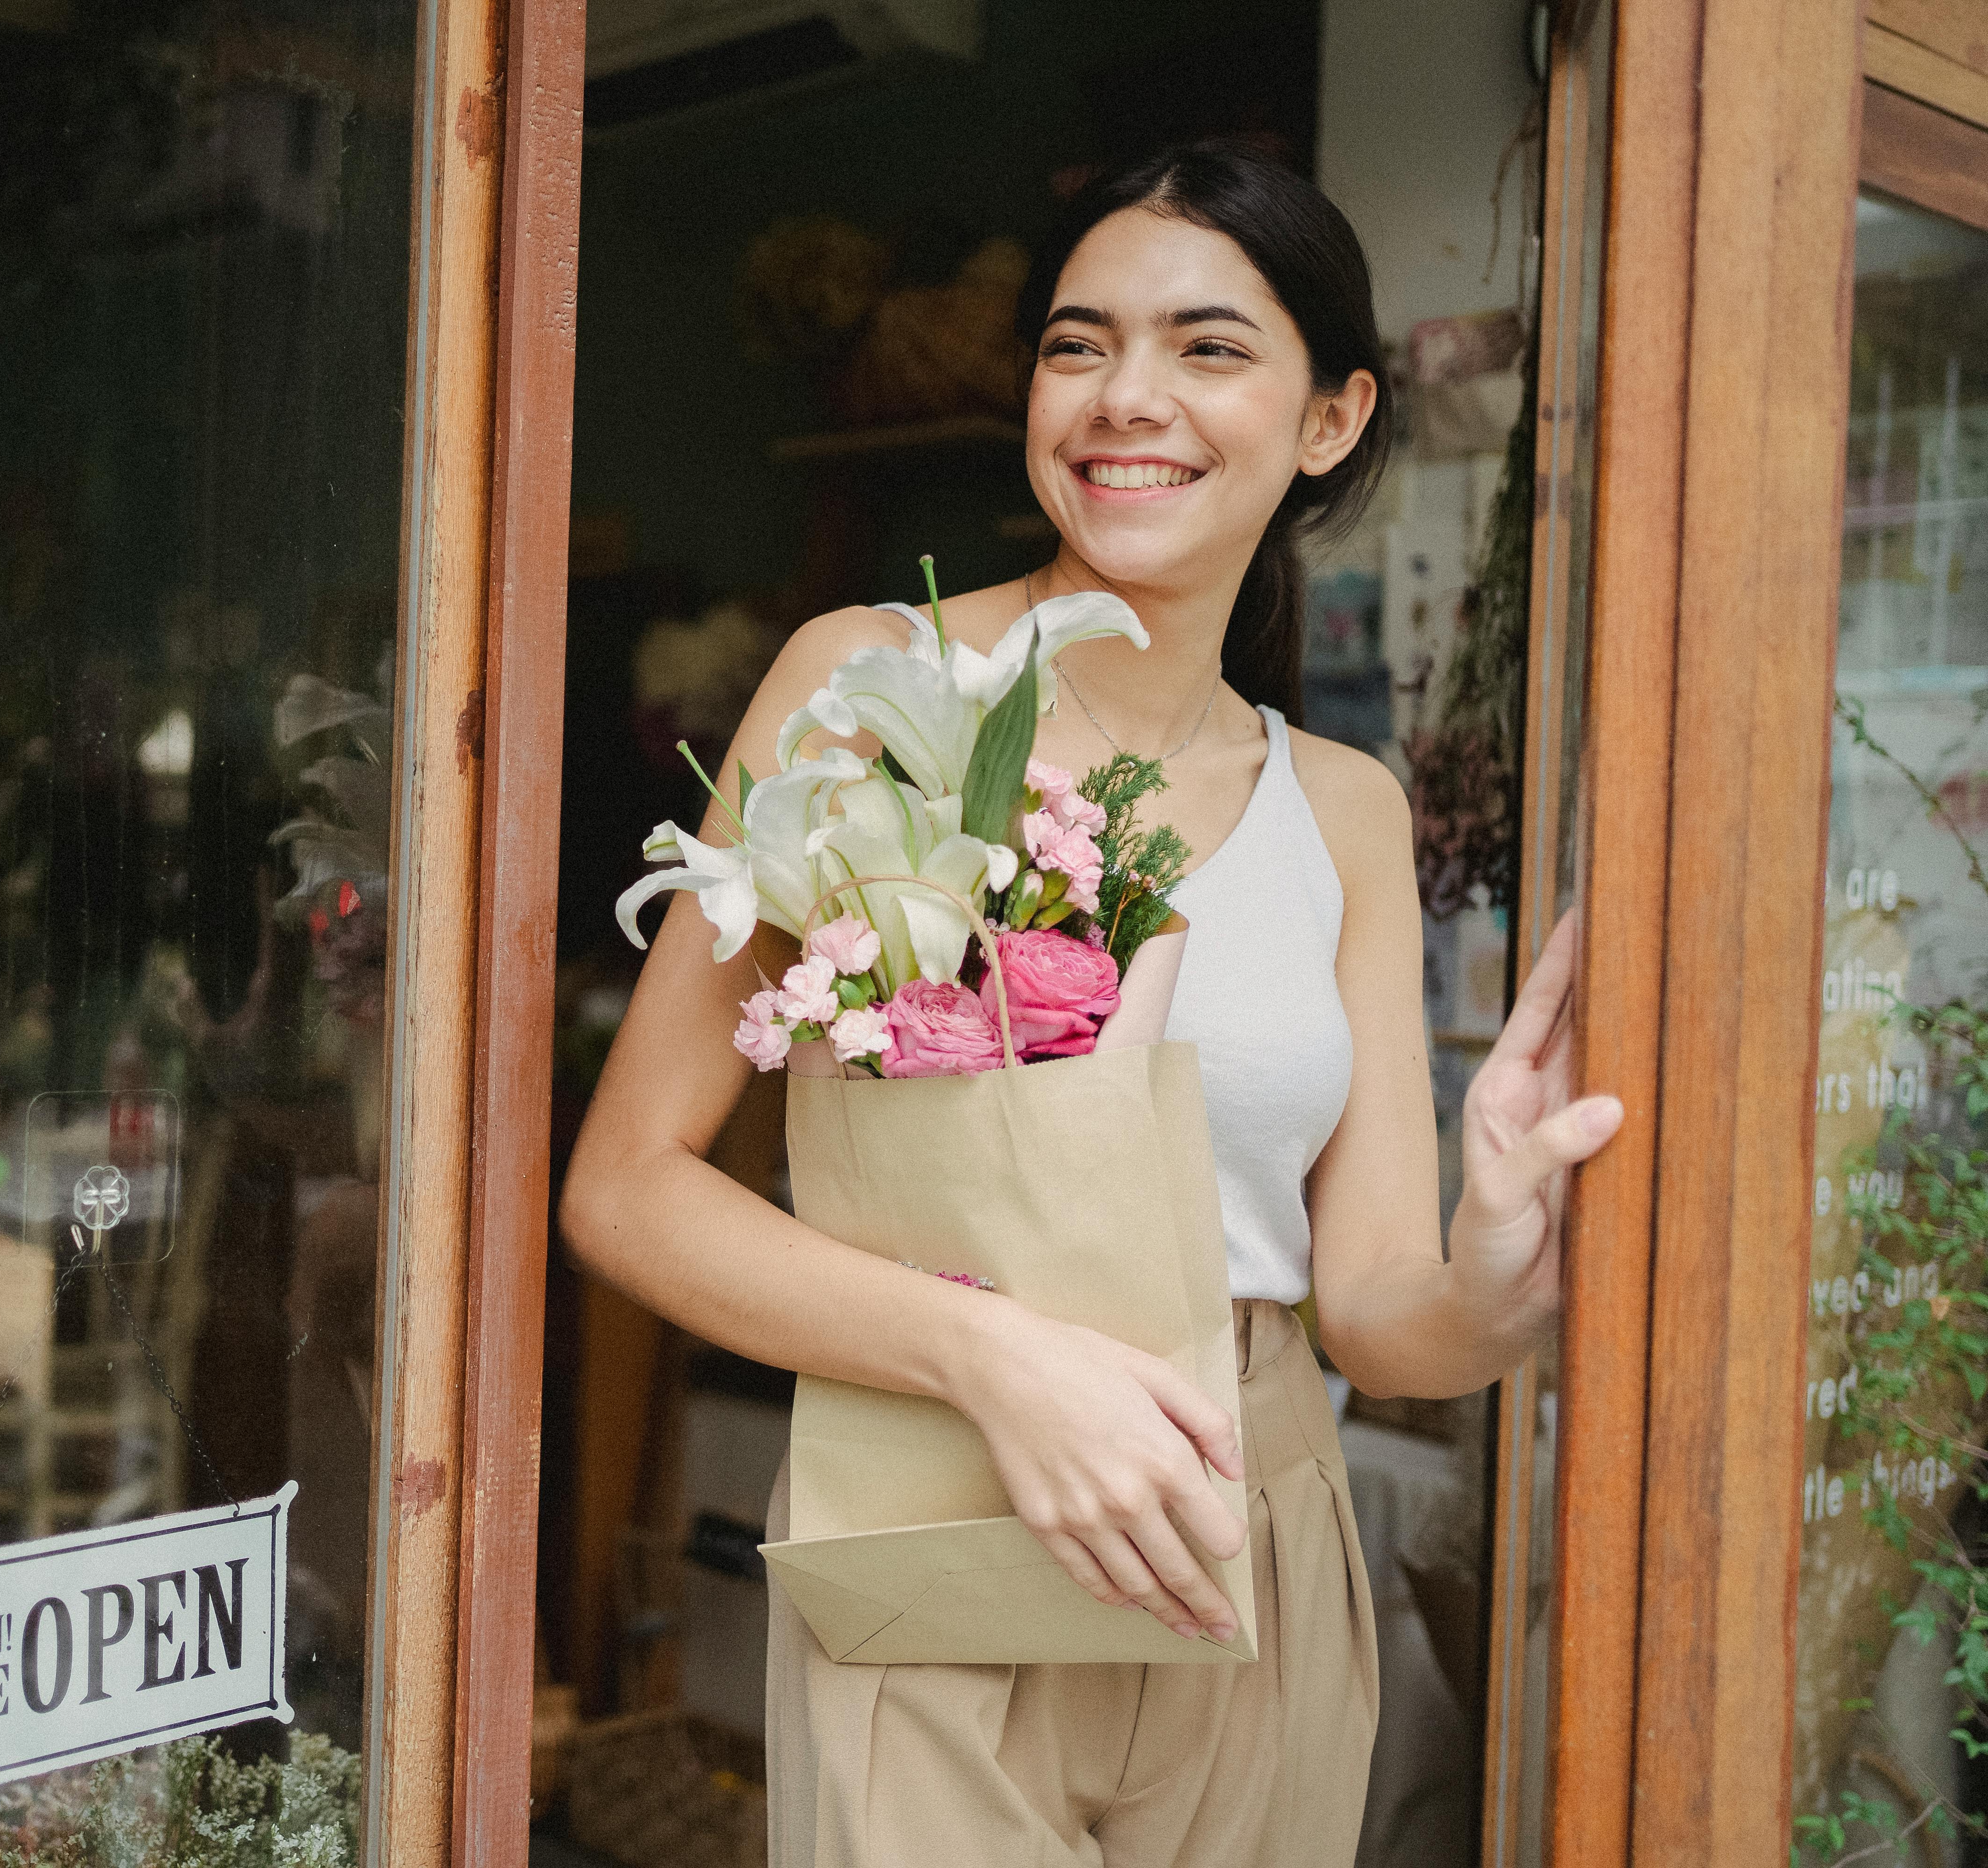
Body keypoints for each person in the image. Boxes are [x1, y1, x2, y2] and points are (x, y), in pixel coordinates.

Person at [559, 142, 1626, 1867]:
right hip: (940, 1518)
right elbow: (626, 1189)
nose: (1128, 396)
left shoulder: (1344, 805)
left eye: (1209, 348)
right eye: (1079, 344)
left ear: (1333, 418)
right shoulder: (869, 686)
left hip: (1255, 1543)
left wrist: (1498, 1284)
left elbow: (1372, 1314)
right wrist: (994, 1358)